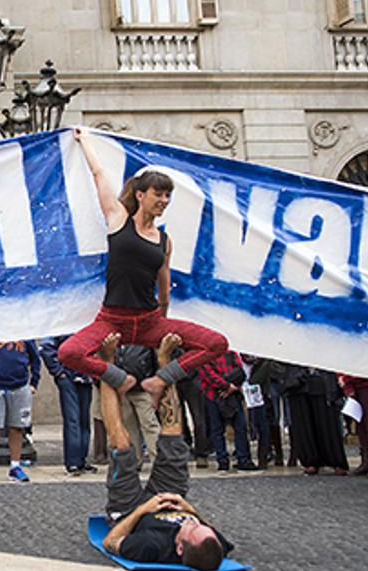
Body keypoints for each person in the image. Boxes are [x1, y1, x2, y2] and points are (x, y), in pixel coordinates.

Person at [58, 127, 227, 451]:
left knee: (216, 343)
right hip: (112, 320)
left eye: (167, 196)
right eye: (158, 195)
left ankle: (160, 380)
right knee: (69, 352)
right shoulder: (118, 219)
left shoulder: (164, 240)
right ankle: (120, 379)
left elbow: (163, 290)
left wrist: (162, 329)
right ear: (140, 195)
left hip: (150, 322)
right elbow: (98, 175)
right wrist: (86, 142)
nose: (163, 201)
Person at [100, 332, 234, 571]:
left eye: (192, 527)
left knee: (121, 445)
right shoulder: (214, 544)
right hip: (170, 498)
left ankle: (107, 363)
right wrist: (188, 508)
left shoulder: (152, 546)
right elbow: (203, 526)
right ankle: (164, 361)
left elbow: (110, 542)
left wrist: (144, 509)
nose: (193, 522)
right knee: (173, 434)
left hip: (131, 511)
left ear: (179, 548)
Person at [0, 340, 41, 484]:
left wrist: (34, 382)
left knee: (17, 427)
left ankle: (15, 466)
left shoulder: (26, 335)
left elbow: (35, 358)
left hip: (20, 386)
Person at [40, 335, 96, 475]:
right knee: (73, 420)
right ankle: (73, 462)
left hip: (84, 375)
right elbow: (46, 348)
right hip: (69, 375)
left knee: (84, 420)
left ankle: (81, 460)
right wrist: (59, 372)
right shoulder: (61, 323)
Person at [198, 350, 259, 473]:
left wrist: (231, 387)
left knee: (240, 427)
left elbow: (240, 371)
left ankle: (243, 459)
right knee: (217, 429)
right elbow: (207, 374)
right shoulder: (204, 354)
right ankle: (222, 461)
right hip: (213, 395)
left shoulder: (230, 352)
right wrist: (227, 385)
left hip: (232, 394)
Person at [282, 365, 348, 475]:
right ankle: (310, 461)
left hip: (322, 381)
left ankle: (336, 461)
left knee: (328, 425)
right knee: (303, 424)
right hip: (297, 383)